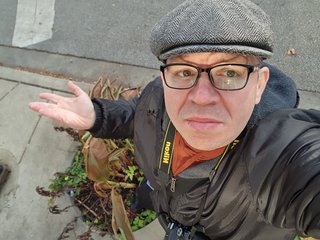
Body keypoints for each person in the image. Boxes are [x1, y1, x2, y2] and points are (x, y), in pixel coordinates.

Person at [29, 0, 320, 239]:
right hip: (162, 197)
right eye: (183, 71)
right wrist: (97, 116)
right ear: (165, 77)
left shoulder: (280, 160)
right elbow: (139, 115)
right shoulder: (160, 94)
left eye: (229, 72)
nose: (202, 97)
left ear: (259, 85)